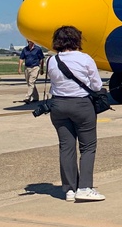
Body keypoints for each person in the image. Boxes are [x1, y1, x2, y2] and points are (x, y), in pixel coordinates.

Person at [46, 26, 105, 202]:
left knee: (66, 147)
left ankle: (69, 189)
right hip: (81, 105)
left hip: (58, 105)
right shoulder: (84, 59)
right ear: (76, 40)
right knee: (87, 147)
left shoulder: (52, 60)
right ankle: (85, 187)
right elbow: (96, 85)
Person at [18, 39, 45, 103]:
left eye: (30, 40)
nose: (29, 41)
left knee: (31, 82)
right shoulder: (25, 49)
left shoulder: (38, 49)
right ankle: (36, 98)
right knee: (30, 83)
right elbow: (21, 59)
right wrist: (19, 68)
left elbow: (41, 59)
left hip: (35, 67)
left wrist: (41, 69)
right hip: (27, 68)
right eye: (28, 40)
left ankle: (27, 97)